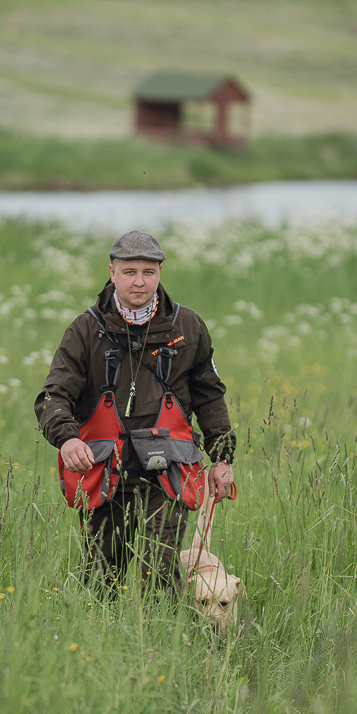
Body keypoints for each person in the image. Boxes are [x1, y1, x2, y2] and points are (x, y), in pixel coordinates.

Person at [35, 230, 235, 596]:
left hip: (170, 470)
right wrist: (67, 440)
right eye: (130, 272)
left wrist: (222, 458)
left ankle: (165, 649)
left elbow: (210, 396)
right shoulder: (84, 331)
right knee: (100, 577)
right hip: (105, 469)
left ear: (160, 272)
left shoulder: (189, 327)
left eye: (148, 271)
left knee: (158, 570)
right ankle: (99, 648)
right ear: (112, 272)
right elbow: (52, 397)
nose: (139, 281)